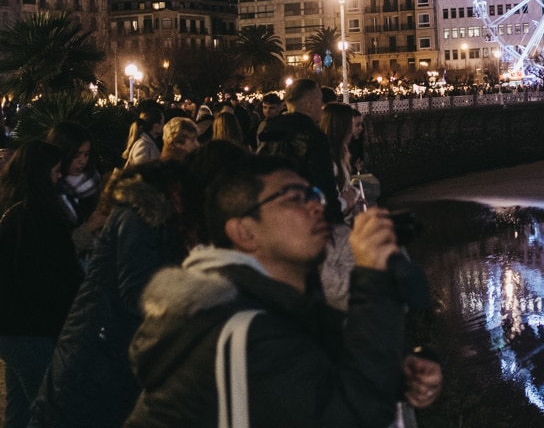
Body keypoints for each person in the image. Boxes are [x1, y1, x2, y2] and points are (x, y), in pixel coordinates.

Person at [124, 156, 442, 427]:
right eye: (293, 198)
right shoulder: (239, 329)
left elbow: (312, 383)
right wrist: (374, 278)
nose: (316, 206)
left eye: (313, 194)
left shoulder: (276, 304)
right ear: (244, 232)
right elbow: (354, 415)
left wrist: (396, 378)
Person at [30, 142, 251, 428]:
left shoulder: (187, 221)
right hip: (96, 355)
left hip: (123, 360)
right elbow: (139, 292)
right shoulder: (143, 214)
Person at [0, 141, 84, 428]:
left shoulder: (15, 209)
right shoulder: (37, 216)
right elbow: (50, 276)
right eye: (56, 170)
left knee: (20, 409)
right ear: (40, 173)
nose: (59, 177)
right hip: (32, 328)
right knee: (48, 411)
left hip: (13, 328)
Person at [256, 78, 342, 225]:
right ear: (310, 104)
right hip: (307, 219)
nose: (322, 106)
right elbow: (324, 185)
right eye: (320, 101)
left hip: (276, 218)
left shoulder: (269, 134)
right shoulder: (313, 137)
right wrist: (335, 219)